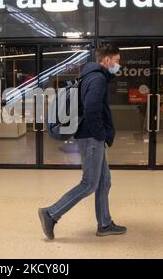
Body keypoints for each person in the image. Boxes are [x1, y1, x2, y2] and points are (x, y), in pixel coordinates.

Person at [38, 44, 126, 240]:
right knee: (89, 183)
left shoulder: (89, 76)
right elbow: (92, 109)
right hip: (91, 137)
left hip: (90, 136)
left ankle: (104, 224)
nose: (118, 65)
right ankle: (51, 213)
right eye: (117, 61)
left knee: (104, 182)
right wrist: (100, 134)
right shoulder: (97, 79)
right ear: (107, 60)